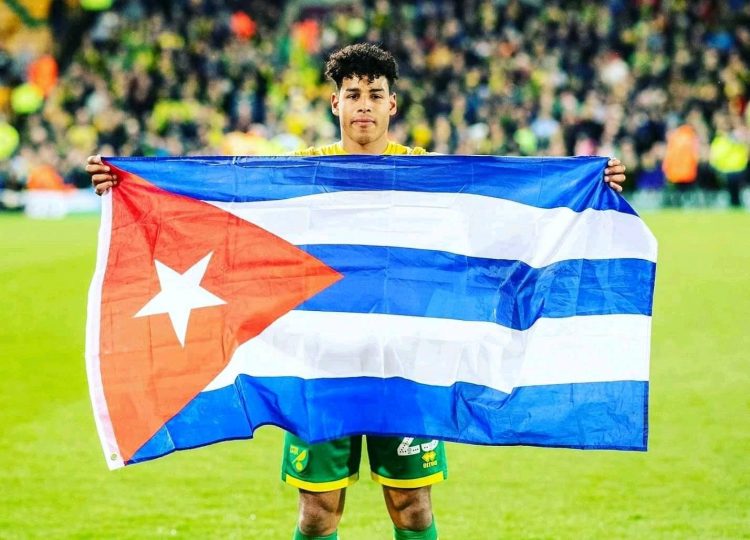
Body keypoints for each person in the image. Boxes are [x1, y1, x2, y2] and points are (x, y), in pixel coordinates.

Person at [87, 43, 627, 540]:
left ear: (393, 104)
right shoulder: (303, 174)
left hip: (405, 360)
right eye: (352, 95)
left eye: (374, 95)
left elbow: (499, 217)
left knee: (411, 504)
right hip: (322, 361)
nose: (363, 106)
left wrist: (586, 187)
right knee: (319, 514)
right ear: (334, 104)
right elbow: (227, 211)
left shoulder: (423, 173)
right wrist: (130, 184)